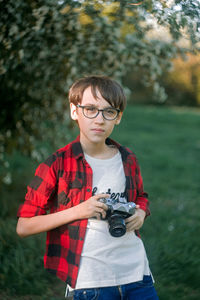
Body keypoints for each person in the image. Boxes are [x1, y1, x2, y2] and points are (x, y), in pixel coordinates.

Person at [16, 75, 159, 300]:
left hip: (137, 274)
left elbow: (141, 196)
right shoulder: (57, 164)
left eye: (109, 111)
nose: (99, 119)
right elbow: (23, 226)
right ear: (75, 111)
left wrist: (141, 211)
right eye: (90, 109)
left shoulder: (127, 159)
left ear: (118, 117)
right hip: (90, 281)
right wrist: (79, 211)